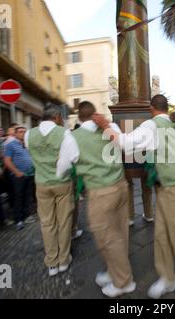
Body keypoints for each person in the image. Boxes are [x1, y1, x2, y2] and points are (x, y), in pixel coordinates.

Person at [93, 95, 175, 299]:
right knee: (162, 235)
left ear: (151, 108)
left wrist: (106, 125)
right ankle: (167, 277)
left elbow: (125, 144)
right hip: (172, 188)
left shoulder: (151, 126)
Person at [59, 101, 135, 298]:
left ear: (78, 117)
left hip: (101, 192)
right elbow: (123, 145)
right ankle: (114, 271)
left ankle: (123, 281)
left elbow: (62, 168)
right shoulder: (111, 127)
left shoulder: (72, 137)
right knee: (120, 232)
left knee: (107, 238)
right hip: (120, 185)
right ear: (95, 114)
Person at [25, 105, 76, 277]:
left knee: (47, 223)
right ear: (56, 117)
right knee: (64, 221)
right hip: (61, 182)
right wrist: (61, 171)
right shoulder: (64, 133)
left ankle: (52, 262)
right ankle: (63, 260)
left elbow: (31, 155)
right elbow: (74, 157)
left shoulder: (28, 134)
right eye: (61, 117)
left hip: (41, 182)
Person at [4, 127, 36, 230]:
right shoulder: (10, 145)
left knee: (28, 196)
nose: (23, 133)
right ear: (15, 134)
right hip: (18, 176)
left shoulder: (27, 144)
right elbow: (7, 161)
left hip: (30, 174)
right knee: (18, 197)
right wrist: (17, 172)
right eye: (20, 132)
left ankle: (27, 216)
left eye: (24, 131)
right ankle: (18, 220)